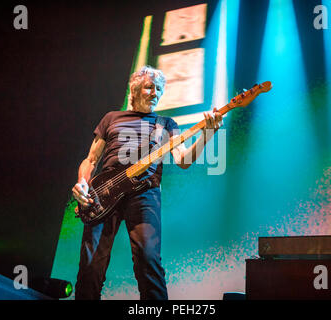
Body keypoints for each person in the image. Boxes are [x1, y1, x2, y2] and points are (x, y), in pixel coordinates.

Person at [71, 66, 223, 300]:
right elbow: (91, 159)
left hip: (145, 193)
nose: (155, 93)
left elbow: (183, 160)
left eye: (159, 89)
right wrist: (82, 182)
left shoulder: (166, 123)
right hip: (103, 192)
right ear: (134, 89)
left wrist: (208, 134)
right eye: (149, 87)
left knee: (148, 259)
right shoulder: (111, 118)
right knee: (91, 264)